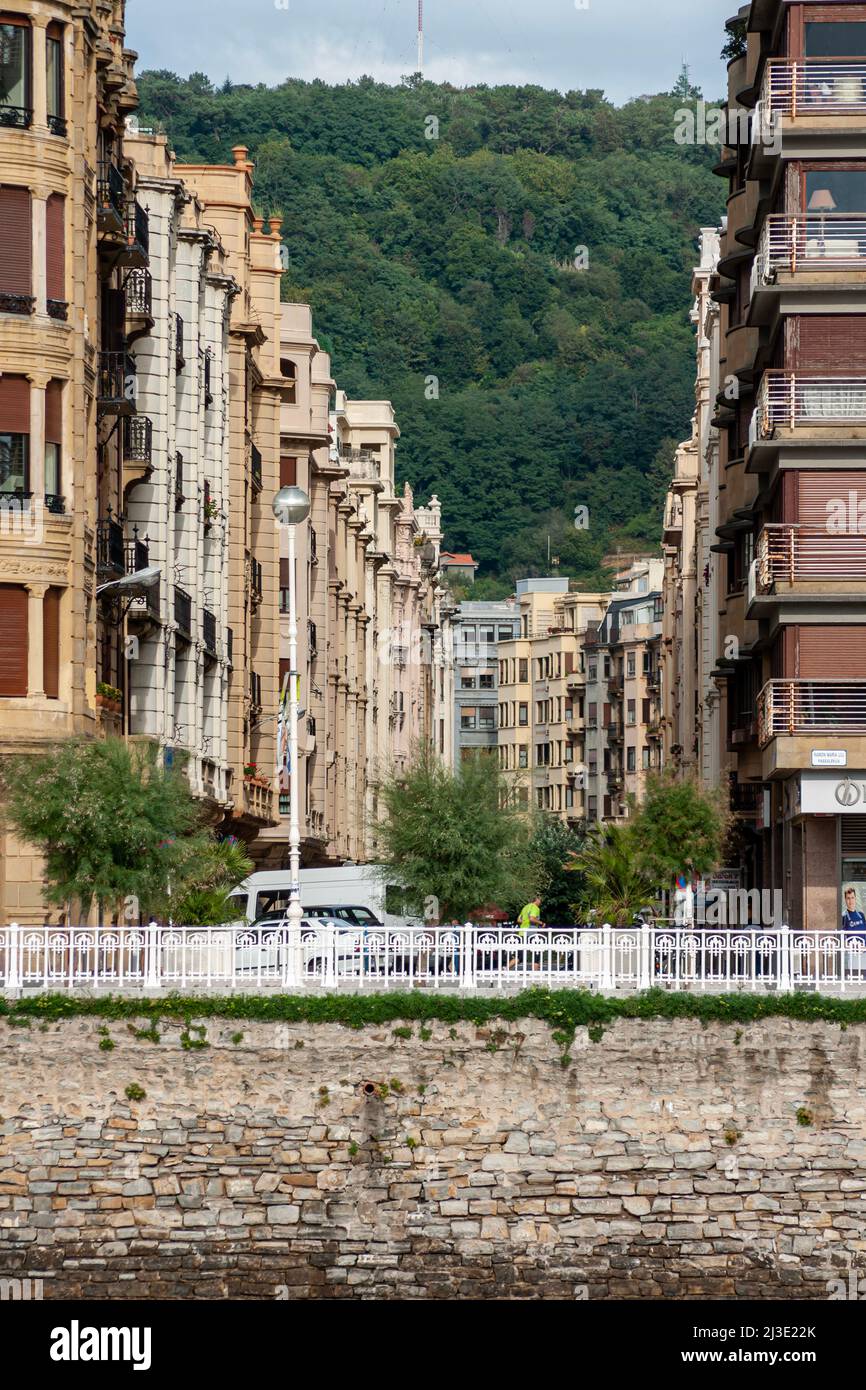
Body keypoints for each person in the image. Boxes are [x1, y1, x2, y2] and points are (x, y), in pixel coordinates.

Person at [842, 886, 866, 979]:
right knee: (854, 979)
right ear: (845, 900)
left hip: (864, 952)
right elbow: (843, 937)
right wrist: (849, 947)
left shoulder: (861, 915)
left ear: (855, 898)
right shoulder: (844, 917)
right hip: (852, 954)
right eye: (848, 898)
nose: (850, 901)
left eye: (852, 898)